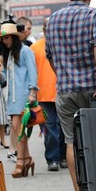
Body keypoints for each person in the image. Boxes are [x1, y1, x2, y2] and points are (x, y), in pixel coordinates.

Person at [45, 0, 96, 191]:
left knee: (71, 141)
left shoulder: (52, 20)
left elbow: (50, 57)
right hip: (94, 89)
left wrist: (63, 75)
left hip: (65, 90)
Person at [0, 22, 38, 178]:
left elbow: (33, 72)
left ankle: (21, 160)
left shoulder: (25, 51)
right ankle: (26, 159)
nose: (4, 41)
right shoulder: (10, 55)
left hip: (23, 95)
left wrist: (32, 92)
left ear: (13, 37)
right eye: (2, 39)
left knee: (18, 128)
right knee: (17, 128)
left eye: (6, 38)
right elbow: (5, 78)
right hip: (12, 97)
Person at [30, 17, 66, 172]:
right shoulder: (35, 48)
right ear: (43, 29)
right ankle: (53, 159)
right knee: (50, 128)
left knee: (64, 127)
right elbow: (32, 73)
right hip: (44, 95)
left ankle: (64, 156)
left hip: (63, 92)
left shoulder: (63, 44)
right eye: (46, 27)